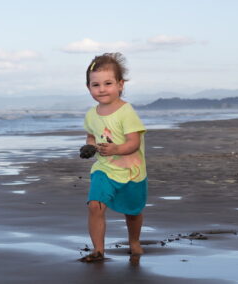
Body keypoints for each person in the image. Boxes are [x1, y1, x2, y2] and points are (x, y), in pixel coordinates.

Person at [79, 53, 148, 262]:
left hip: (131, 170)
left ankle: (134, 242)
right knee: (95, 204)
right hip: (104, 168)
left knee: (133, 211)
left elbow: (134, 143)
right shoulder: (91, 114)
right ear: (88, 87)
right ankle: (98, 250)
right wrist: (89, 147)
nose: (101, 89)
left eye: (108, 83)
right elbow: (91, 134)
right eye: (95, 84)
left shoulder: (126, 112)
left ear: (120, 84)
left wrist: (116, 149)